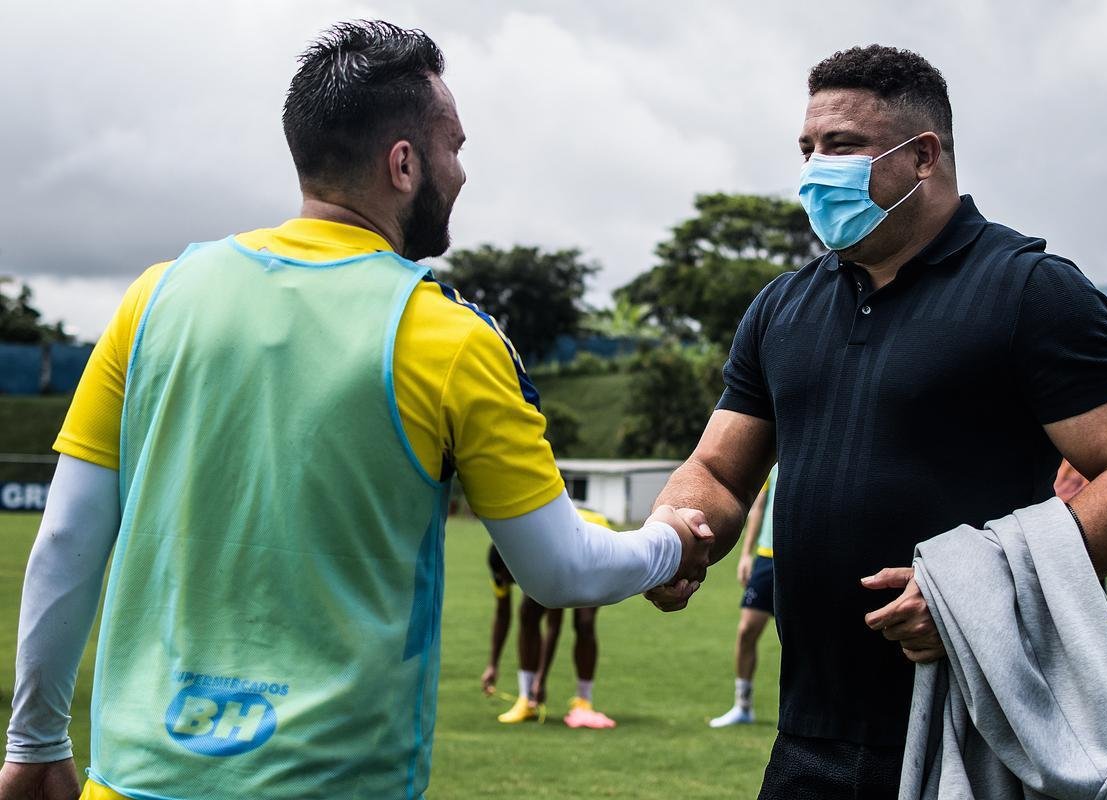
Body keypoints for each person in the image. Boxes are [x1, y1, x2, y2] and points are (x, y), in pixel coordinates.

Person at [0, 22, 712, 800]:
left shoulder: (155, 299)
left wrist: (35, 740)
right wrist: (669, 545)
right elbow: (558, 568)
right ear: (403, 164)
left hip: (135, 780)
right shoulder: (450, 338)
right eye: (454, 147)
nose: (462, 172)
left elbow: (66, 537)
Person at [644, 44, 1107, 799]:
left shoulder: (1032, 290)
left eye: (842, 146)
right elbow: (718, 471)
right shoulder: (781, 306)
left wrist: (974, 596)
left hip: (977, 730)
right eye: (807, 148)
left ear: (924, 156)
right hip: (808, 733)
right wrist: (673, 533)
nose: (815, 169)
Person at [484, 506, 618, 729]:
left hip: (595, 541)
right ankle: (526, 698)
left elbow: (554, 624)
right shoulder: (501, 571)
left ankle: (584, 701)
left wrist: (542, 679)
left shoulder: (544, 562)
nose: (507, 584)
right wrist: (492, 665)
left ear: (516, 567)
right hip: (565, 543)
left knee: (584, 622)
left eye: (510, 579)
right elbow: (502, 615)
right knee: (527, 614)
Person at [709, 465, 778, 728]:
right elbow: (759, 506)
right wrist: (746, 554)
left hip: (801, 558)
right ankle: (743, 706)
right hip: (767, 558)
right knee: (746, 630)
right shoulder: (774, 461)